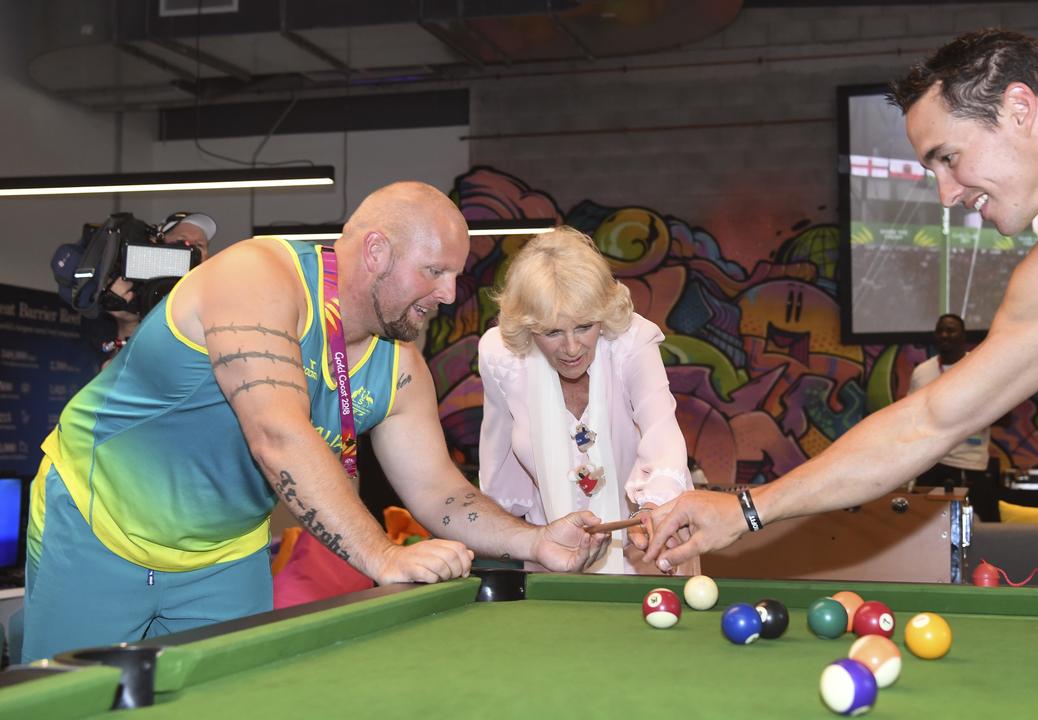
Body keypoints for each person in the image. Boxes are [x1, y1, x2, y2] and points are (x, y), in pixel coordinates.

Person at [643, 26, 1038, 571]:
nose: (946, 195)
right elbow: (929, 422)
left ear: (1019, 108)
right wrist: (747, 509)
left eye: (948, 158)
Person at [24, 182, 609, 661]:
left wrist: (532, 540)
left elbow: (438, 491)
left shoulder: (399, 362)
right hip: (98, 522)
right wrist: (383, 556)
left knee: (239, 701)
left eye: (453, 275)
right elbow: (278, 436)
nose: (450, 293)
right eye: (435, 271)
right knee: (70, 705)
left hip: (222, 553)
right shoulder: (258, 277)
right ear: (376, 252)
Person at [478, 227, 697, 574]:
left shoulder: (632, 342)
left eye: (584, 327)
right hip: (550, 551)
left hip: (646, 542)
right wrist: (503, 529)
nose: (571, 348)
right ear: (528, 328)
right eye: (551, 332)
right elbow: (497, 453)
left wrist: (652, 508)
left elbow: (662, 432)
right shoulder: (500, 355)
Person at [97, 211, 218, 363]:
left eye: (199, 245)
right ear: (156, 244)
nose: (192, 250)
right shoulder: (133, 291)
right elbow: (116, 376)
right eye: (183, 242)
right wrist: (127, 323)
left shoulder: (216, 299)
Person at [908, 314, 991, 490]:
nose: (944, 335)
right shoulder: (922, 372)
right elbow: (911, 416)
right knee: (925, 515)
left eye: (951, 331)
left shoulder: (981, 367)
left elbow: (1003, 415)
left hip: (968, 462)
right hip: (928, 462)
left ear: (963, 335)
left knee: (968, 516)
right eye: (940, 331)